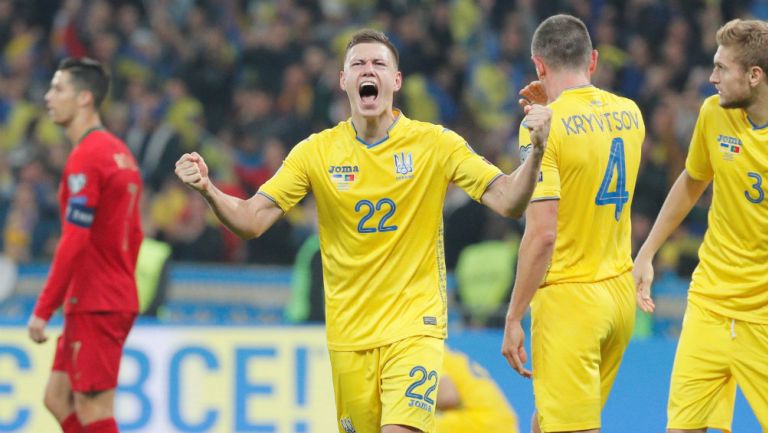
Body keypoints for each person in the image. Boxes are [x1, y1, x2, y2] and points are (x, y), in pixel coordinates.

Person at [175, 28, 551, 433]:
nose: (367, 70)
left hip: (414, 328)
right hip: (348, 338)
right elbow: (251, 220)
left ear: (396, 80)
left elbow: (509, 201)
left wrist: (536, 153)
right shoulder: (315, 152)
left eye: (378, 64)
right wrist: (209, 191)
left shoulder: (436, 144)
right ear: (344, 81)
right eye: (358, 64)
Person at [500, 14, 645, 433]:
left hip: (570, 300)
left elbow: (543, 234)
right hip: (618, 294)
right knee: (548, 422)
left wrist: (514, 316)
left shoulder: (543, 126)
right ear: (594, 60)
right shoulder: (630, 114)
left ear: (538, 65)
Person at [633, 18, 768, 433]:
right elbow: (692, 181)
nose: (711, 78)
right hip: (709, 303)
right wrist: (646, 253)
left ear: (754, 75)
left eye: (721, 69)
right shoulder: (714, 114)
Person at [27, 57, 143, 433]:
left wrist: (44, 309)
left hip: (97, 302)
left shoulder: (87, 157)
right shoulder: (119, 154)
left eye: (58, 88)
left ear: (84, 99)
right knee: (57, 398)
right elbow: (135, 234)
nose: (48, 97)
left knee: (95, 409)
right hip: (104, 295)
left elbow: (74, 238)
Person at [436, 347, 519, 433]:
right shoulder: (441, 349)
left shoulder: (425, 351)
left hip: (480, 421)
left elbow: (448, 397)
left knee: (423, 424)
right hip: (501, 422)